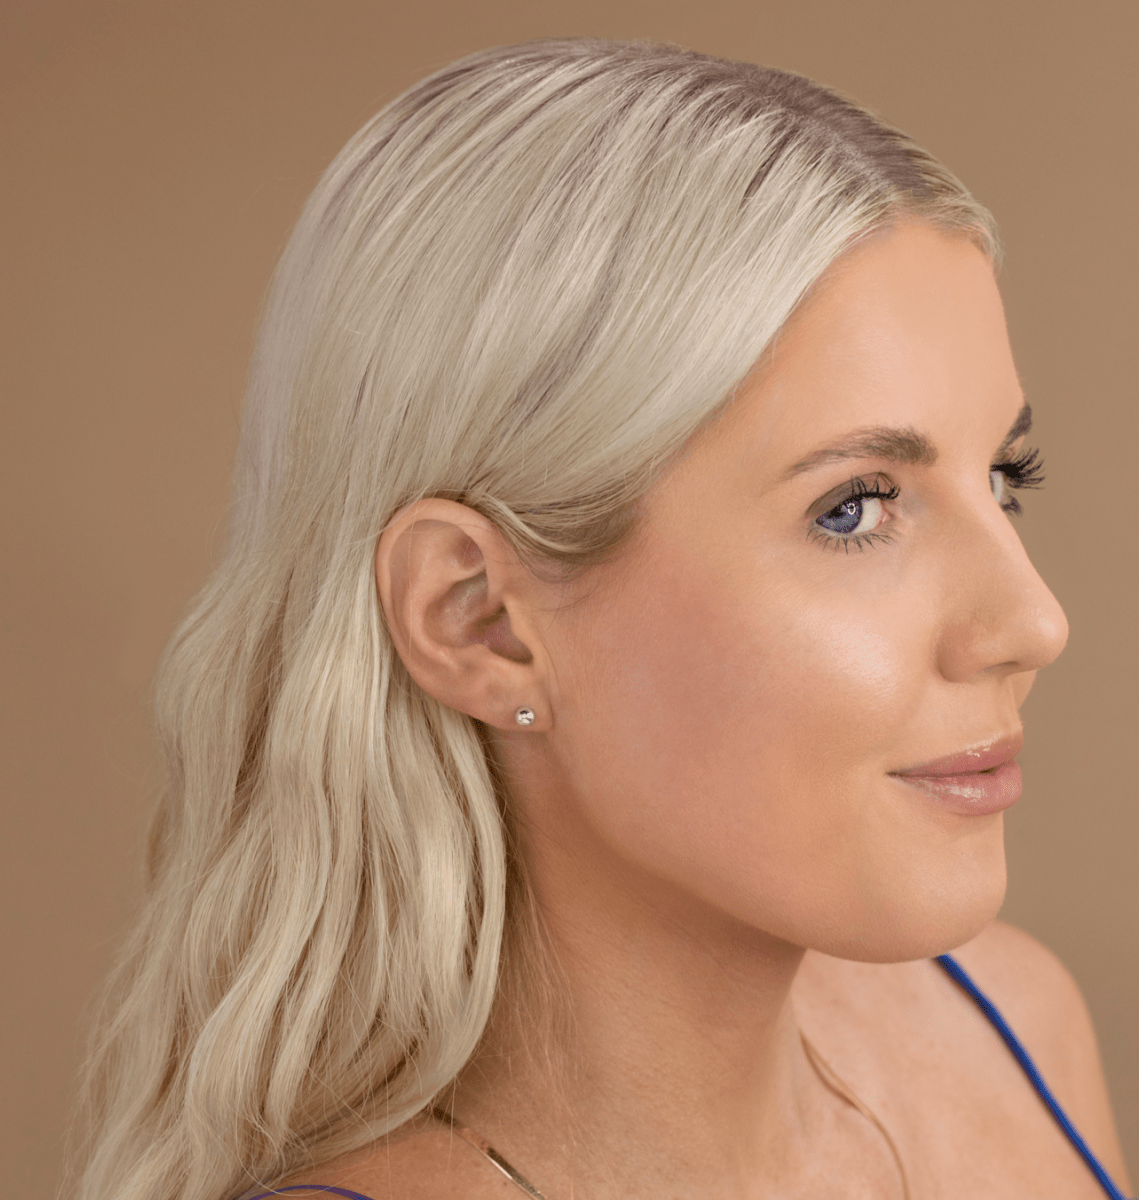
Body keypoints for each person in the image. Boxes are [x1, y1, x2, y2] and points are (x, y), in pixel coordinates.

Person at [68, 38, 1132, 1200]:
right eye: (855, 508)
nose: (1033, 621)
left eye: (1004, 478)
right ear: (480, 621)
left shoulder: (1010, 1031)